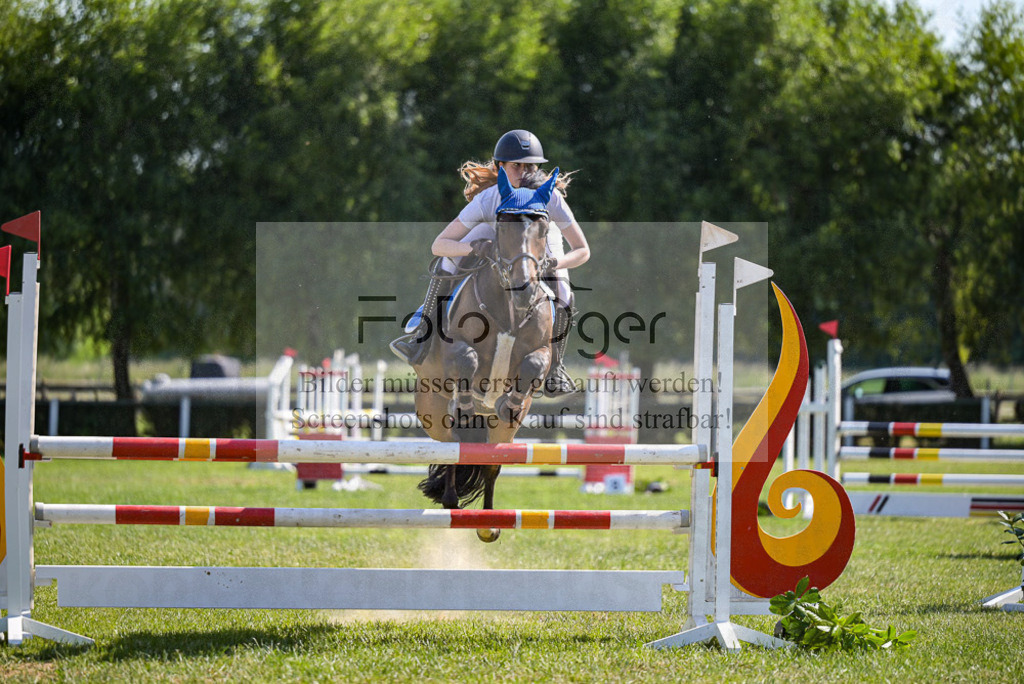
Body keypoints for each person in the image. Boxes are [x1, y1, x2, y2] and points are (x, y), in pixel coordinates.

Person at [390, 129, 590, 396]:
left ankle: (555, 368)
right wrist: (473, 247)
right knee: (447, 260)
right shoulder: (490, 198)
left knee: (564, 291)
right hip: (496, 231)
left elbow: (582, 249)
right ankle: (421, 338)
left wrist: (555, 264)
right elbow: (439, 244)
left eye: (529, 165)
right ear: (501, 167)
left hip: (539, 238)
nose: (523, 171)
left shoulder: (550, 197)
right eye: (515, 165)